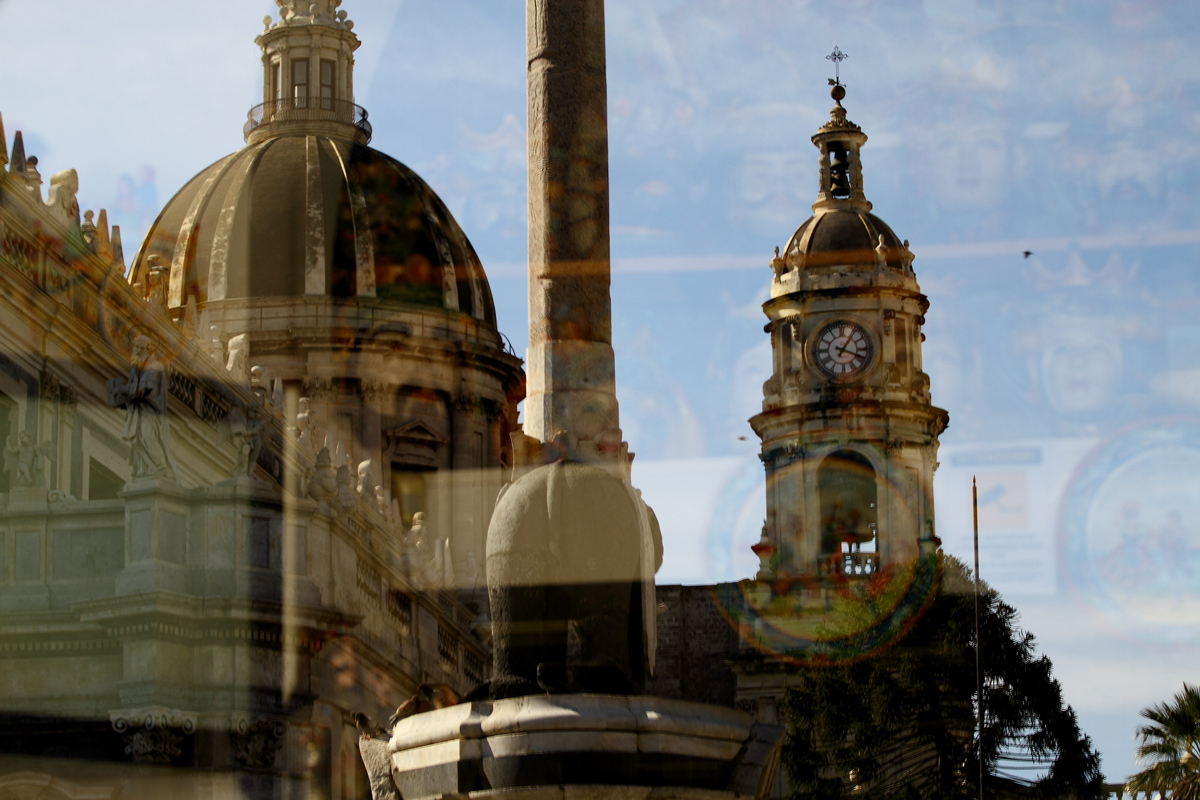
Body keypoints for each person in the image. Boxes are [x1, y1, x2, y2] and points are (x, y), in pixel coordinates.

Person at [107, 333, 178, 480]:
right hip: (139, 412)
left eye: (141, 348)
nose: (138, 350)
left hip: (152, 413)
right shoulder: (136, 369)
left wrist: (122, 391)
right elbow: (133, 389)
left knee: (147, 437)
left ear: (149, 350)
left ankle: (162, 470)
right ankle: (145, 471)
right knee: (139, 441)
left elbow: (142, 390)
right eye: (136, 347)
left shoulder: (155, 367)